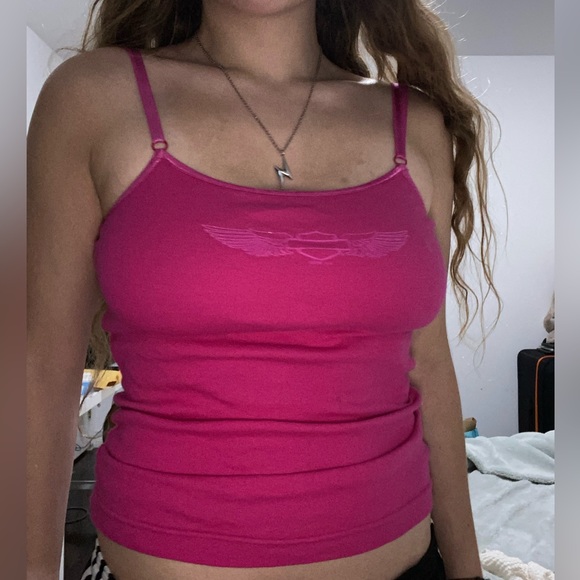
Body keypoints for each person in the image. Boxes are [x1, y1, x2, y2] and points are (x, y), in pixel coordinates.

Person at [27, 0, 499, 579]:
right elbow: (40, 373)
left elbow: (429, 361)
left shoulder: (417, 124)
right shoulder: (93, 99)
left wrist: (468, 568)